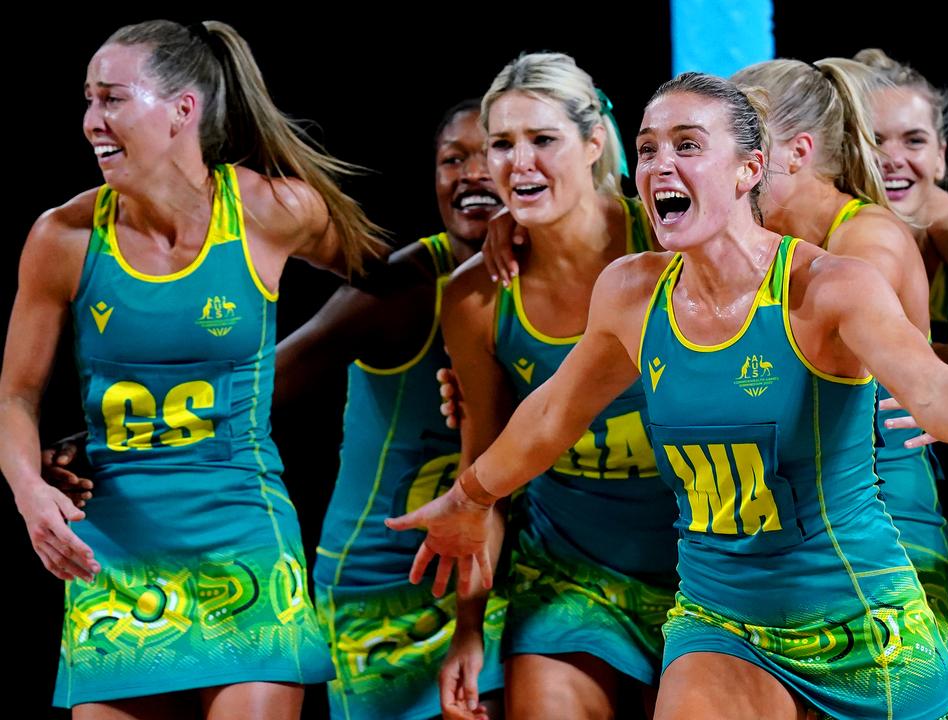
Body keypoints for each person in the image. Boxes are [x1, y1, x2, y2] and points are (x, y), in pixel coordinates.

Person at [392, 71, 948, 720]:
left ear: (749, 169)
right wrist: (469, 498)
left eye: (687, 145)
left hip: (858, 613)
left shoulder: (828, 288)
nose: (660, 165)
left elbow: (936, 392)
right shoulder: (631, 293)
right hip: (721, 614)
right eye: (648, 149)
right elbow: (553, 414)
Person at [0, 19, 380, 716]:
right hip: (113, 553)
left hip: (245, 540)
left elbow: (388, 277)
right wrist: (30, 491)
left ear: (183, 110)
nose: (91, 121)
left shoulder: (272, 210)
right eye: (87, 100)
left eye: (112, 98)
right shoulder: (63, 237)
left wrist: (494, 248)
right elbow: (17, 397)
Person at [388, 53, 677, 720]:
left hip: (705, 572)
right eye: (502, 145)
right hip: (568, 575)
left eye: (543, 140)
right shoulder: (474, 298)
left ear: (594, 141)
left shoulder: (666, 242)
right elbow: (482, 470)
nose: (519, 164)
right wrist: (468, 629)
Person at [728, 57, 948, 701]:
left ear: (797, 153)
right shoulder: (763, 235)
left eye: (744, 145)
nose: (728, 166)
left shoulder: (870, 244)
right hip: (792, 516)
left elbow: (774, 377)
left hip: (883, 512)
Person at [275, 100, 507, 720]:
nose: (470, 173)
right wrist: (108, 439)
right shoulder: (400, 288)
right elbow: (262, 386)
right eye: (451, 160)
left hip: (496, 577)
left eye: (489, 153)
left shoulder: (561, 287)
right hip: (380, 592)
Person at [854, 48, 948, 341]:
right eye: (874, 141)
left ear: (940, 157)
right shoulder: (817, 241)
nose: (893, 159)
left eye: (914, 141)